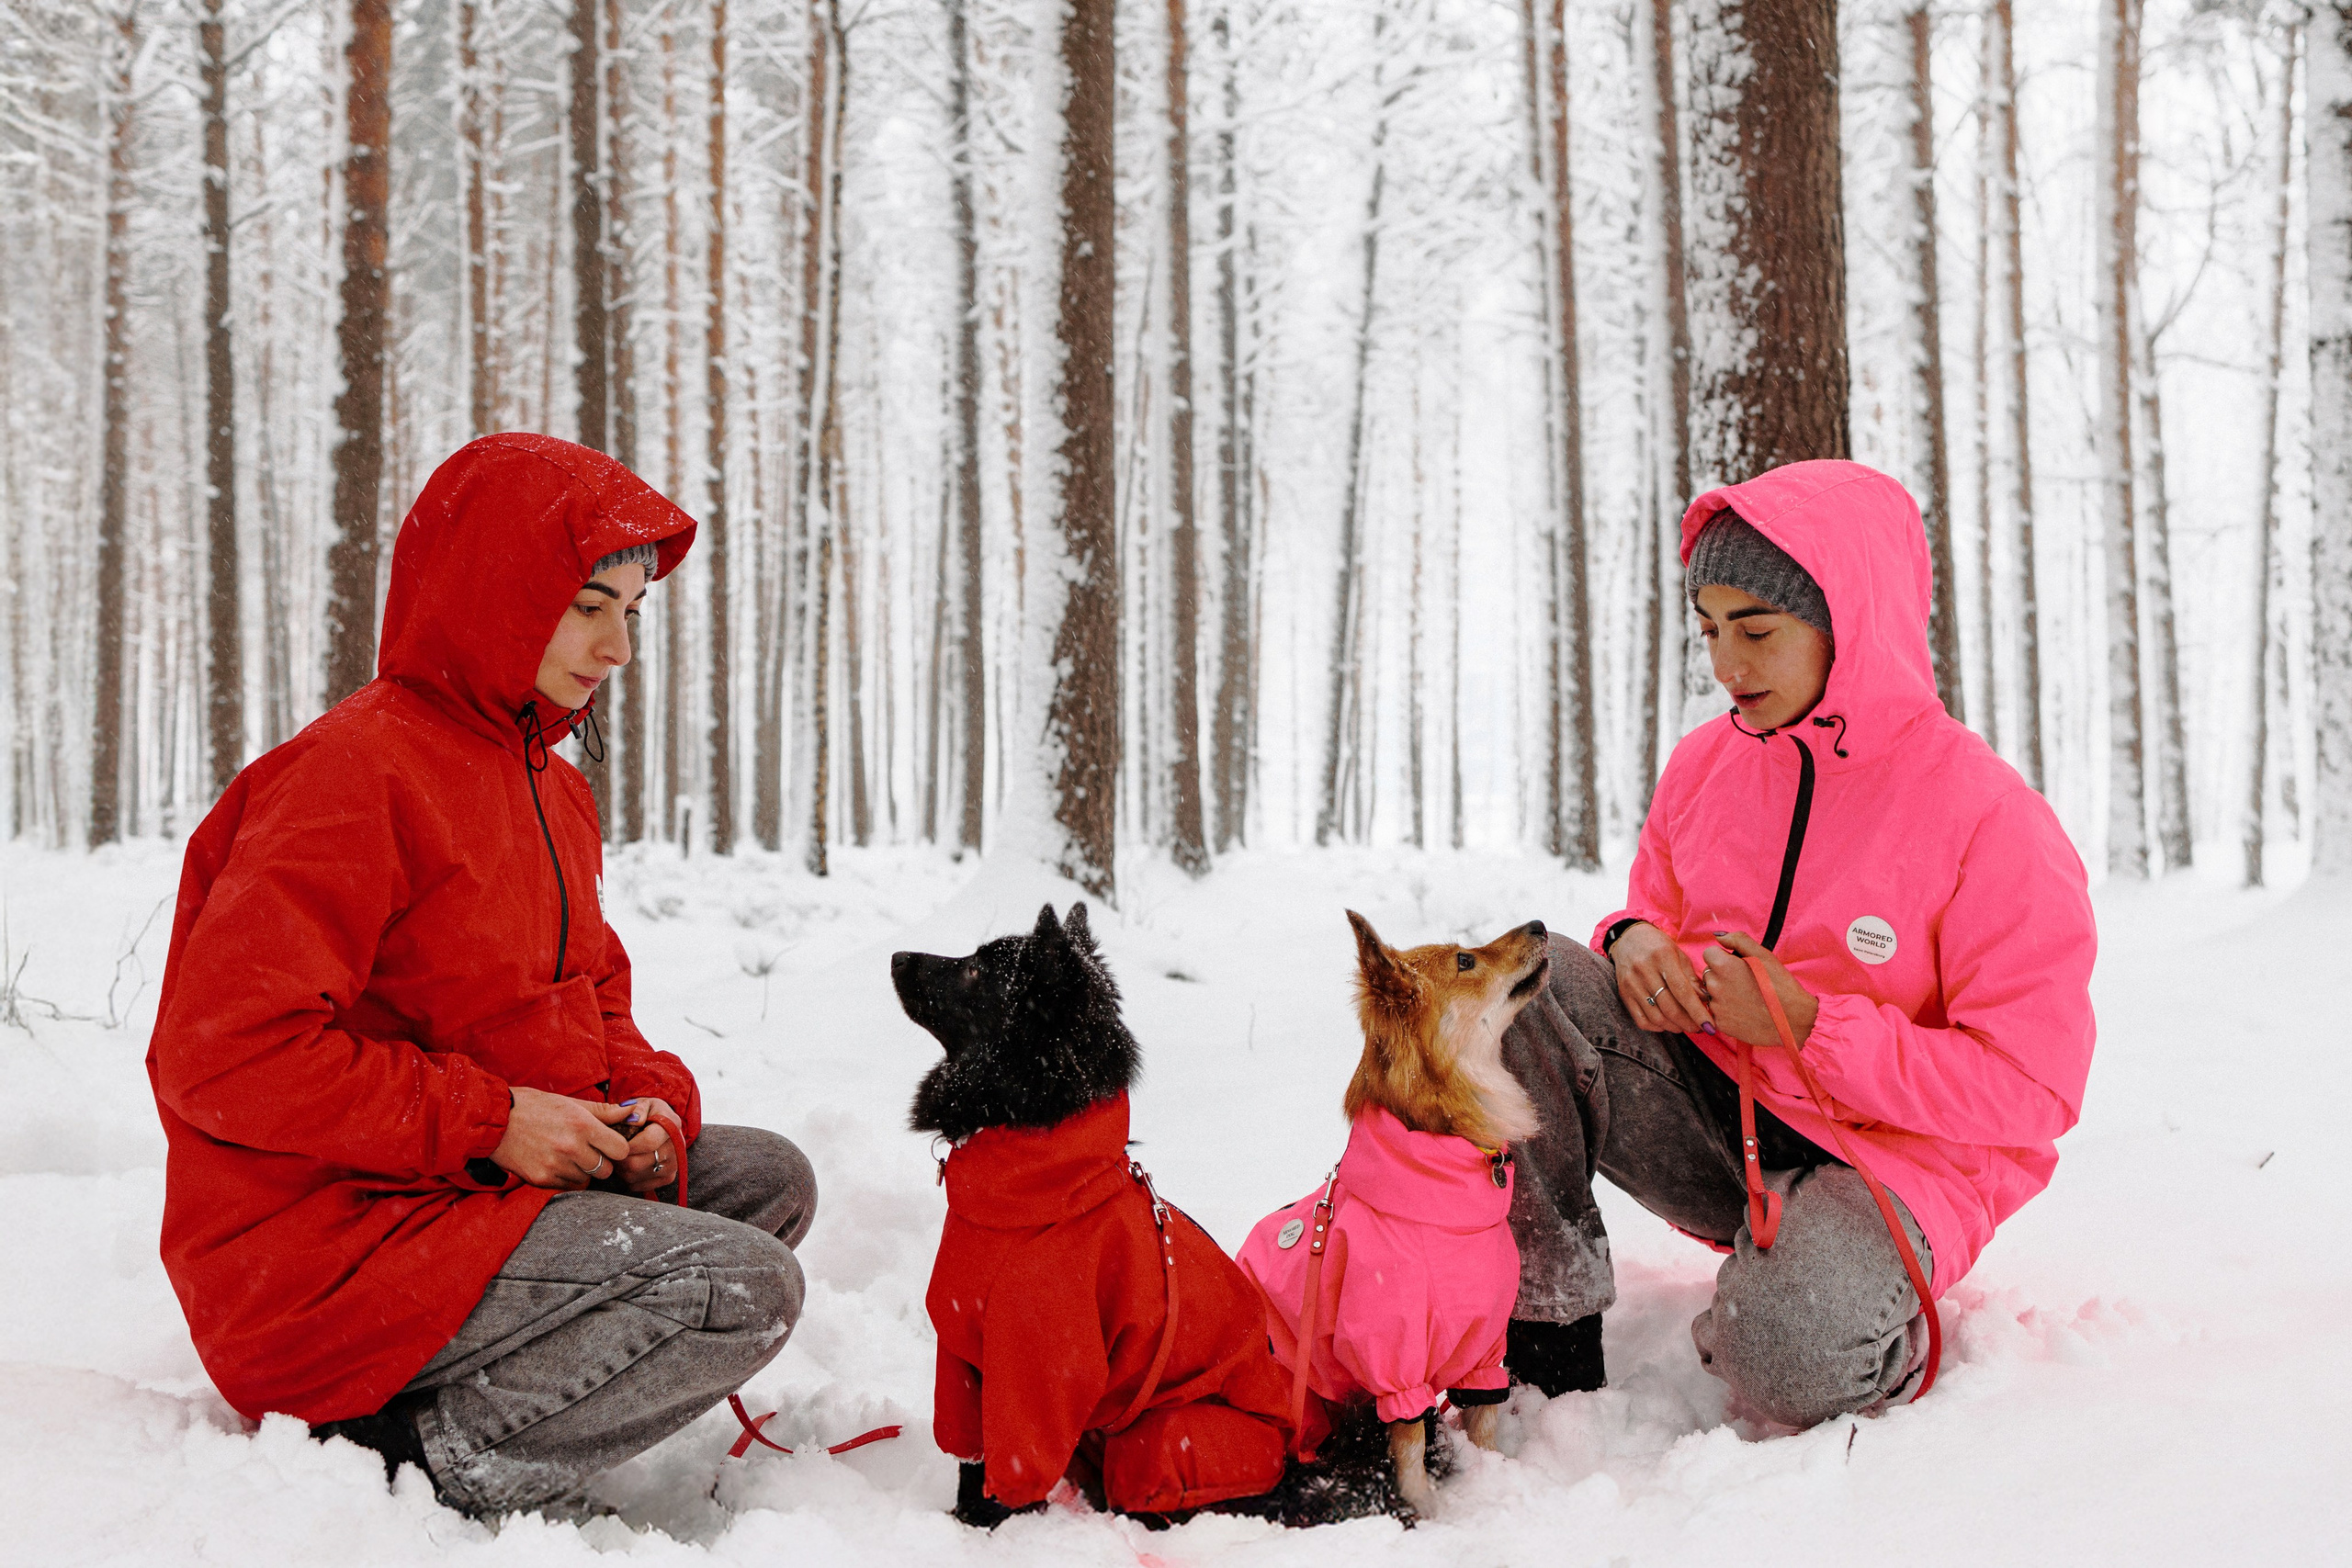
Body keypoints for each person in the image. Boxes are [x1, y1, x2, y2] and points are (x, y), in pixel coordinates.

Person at [146, 434, 817, 1515]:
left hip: (463, 1197)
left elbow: (594, 994)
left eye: (631, 615)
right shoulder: (350, 776)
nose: (616, 648)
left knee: (763, 1180)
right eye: (587, 604)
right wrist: (494, 1120)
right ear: (497, 592)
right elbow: (224, 1057)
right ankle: (412, 1464)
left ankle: (498, 1397)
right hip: (326, 1252)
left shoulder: (551, 788)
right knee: (739, 1286)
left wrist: (639, 1108)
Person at [1500, 458, 2096, 1427]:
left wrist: (1811, 1027)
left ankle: (1808, 1305)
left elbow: (2033, 1093)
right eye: (1710, 632)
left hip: (1888, 1163)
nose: (1729, 665)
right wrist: (1633, 937)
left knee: (1785, 1362)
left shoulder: (1988, 816)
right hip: (1720, 1117)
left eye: (1758, 630)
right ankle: (1546, 1333)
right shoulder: (1704, 766)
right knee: (1522, 986)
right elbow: (1652, 913)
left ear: (1847, 619)